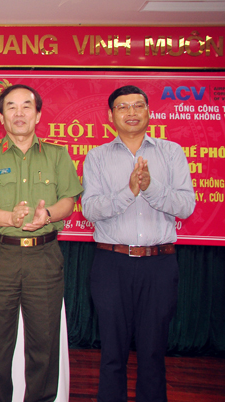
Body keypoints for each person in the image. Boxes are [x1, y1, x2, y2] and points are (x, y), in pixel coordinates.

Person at [82, 85, 195, 402]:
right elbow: (91, 209)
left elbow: (186, 206)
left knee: (153, 353)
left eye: (137, 105)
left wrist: (151, 187)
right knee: (112, 355)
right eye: (122, 107)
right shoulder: (97, 157)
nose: (131, 112)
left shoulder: (171, 152)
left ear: (149, 111)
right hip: (111, 264)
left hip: (159, 265)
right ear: (110, 115)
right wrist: (130, 191)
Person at [0, 84, 82, 402]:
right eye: (11, 107)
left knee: (44, 348)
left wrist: (46, 214)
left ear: (38, 114)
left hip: (44, 258)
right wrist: (11, 218)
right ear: (1, 116)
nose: (19, 113)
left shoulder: (58, 155)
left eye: (26, 106)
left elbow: (68, 202)